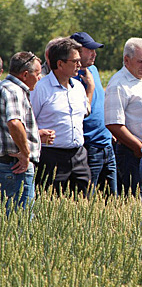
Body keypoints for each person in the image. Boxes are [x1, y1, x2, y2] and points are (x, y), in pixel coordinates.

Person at [30, 38, 92, 195]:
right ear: (60, 64)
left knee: (83, 206)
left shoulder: (78, 87)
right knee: (50, 205)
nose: (79, 64)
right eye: (75, 61)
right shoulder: (40, 89)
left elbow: (84, 113)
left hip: (79, 156)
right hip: (51, 157)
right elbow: (29, 122)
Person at [105, 38, 142, 195]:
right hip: (132, 153)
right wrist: (138, 147)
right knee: (135, 201)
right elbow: (113, 124)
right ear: (126, 60)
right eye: (141, 61)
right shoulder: (118, 84)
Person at [70, 32, 117, 196]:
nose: (94, 53)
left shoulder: (93, 70)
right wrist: (89, 88)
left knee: (112, 199)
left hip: (107, 144)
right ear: (76, 51)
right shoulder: (70, 78)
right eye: (89, 49)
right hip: (89, 146)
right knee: (87, 200)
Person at [0, 52, 46, 214]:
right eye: (38, 73)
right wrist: (26, 153)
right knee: (20, 221)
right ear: (25, 75)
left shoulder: (4, 87)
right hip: (14, 167)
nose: (40, 78)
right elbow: (14, 122)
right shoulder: (15, 91)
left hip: (7, 165)